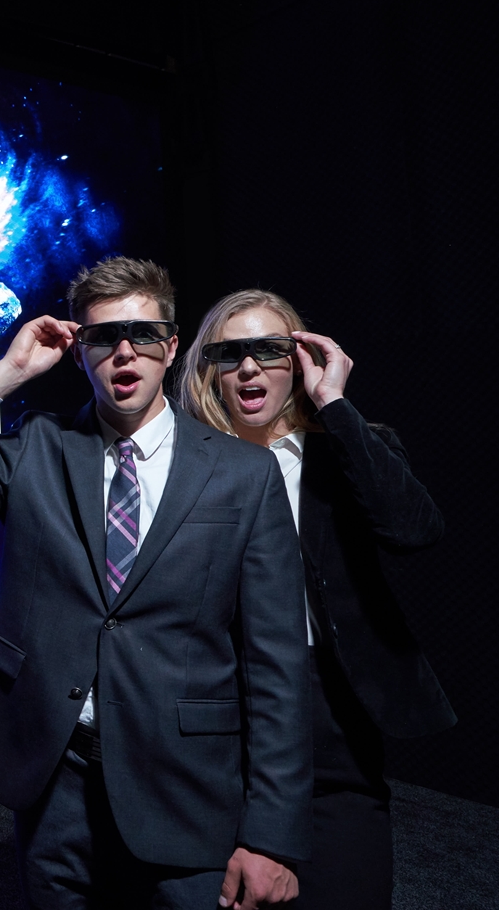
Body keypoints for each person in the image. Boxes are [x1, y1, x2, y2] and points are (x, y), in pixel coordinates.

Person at [0, 257, 311, 909]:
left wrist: (271, 837)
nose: (125, 352)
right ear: (79, 350)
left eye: (144, 335)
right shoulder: (37, 447)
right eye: (105, 337)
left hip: (183, 780)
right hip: (57, 774)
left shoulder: (244, 475)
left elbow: (277, 663)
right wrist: (9, 371)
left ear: (172, 347)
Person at [177, 289, 454, 909]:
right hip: (216, 697)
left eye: (269, 350)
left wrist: (333, 403)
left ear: (299, 359)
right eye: (231, 353)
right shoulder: (182, 465)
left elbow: (415, 530)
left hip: (329, 711)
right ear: (209, 370)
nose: (250, 367)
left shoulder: (347, 448)